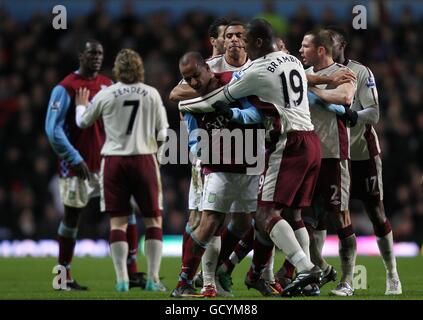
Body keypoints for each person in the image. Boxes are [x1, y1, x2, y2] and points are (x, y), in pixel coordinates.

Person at [177, 19, 324, 297]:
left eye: (243, 39)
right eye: (231, 37)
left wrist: (192, 105)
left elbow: (223, 99)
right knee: (283, 215)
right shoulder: (289, 60)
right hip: (299, 142)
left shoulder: (254, 70)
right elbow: (181, 91)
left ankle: (293, 270)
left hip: (275, 147)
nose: (238, 43)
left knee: (262, 216)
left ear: (255, 43)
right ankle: (214, 278)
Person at [74, 49, 169, 292]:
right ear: (140, 68)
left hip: (114, 161)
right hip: (143, 158)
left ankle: (122, 280)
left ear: (117, 69)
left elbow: (83, 123)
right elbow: (163, 133)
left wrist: (81, 106)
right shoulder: (151, 94)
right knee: (153, 220)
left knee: (118, 222)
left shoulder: (106, 94)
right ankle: (153, 278)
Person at [326, 25, 402, 295]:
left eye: (330, 42)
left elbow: (375, 113)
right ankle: (346, 281)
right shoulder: (313, 72)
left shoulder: (361, 72)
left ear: (342, 44)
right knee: (337, 216)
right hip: (334, 156)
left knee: (376, 213)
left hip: (362, 153)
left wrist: (354, 116)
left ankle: (392, 274)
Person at [45, 39, 113, 290]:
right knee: (72, 217)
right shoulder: (65, 87)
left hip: (105, 162)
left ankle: (133, 273)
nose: (96, 57)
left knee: (124, 212)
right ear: (80, 55)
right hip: (76, 165)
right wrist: (74, 157)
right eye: (91, 53)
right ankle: (63, 278)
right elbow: (53, 130)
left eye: (100, 53)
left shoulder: (108, 85)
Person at [298, 29, 357, 296]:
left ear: (321, 50)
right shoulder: (301, 72)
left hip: (334, 154)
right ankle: (316, 272)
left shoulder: (344, 73)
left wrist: (313, 92)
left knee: (339, 215)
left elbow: (344, 99)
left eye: (306, 46)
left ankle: (348, 281)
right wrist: (313, 84)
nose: (301, 50)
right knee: (307, 218)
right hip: (307, 155)